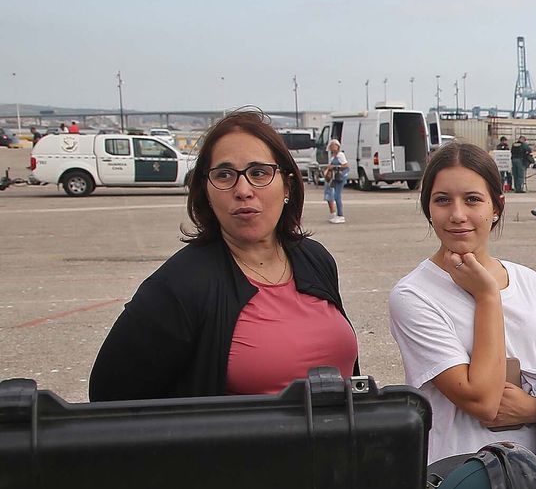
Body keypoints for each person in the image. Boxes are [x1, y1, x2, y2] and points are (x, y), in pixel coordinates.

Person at [89, 110, 356, 401]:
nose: (243, 190)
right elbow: (109, 397)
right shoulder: (179, 285)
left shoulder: (314, 259)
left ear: (287, 186)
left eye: (258, 173)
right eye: (224, 175)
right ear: (206, 191)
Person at [388, 142, 536, 489]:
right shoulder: (414, 295)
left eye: (472, 199)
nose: (457, 214)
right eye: (442, 200)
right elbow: (482, 401)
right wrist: (487, 296)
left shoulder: (529, 282)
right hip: (459, 481)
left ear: (496, 206)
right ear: (428, 209)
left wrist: (535, 410)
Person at [323, 139, 348, 224]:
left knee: (337, 195)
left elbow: (346, 165)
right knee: (334, 195)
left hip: (340, 176)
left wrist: (335, 166)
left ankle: (340, 215)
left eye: (334, 146)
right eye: (331, 146)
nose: (333, 148)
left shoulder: (340, 155)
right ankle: (336, 214)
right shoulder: (333, 156)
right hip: (335, 177)